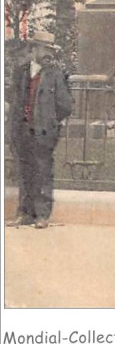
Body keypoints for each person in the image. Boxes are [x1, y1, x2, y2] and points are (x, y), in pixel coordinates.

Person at [8, 30, 73, 229]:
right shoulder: (21, 72)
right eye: (45, 49)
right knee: (25, 171)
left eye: (50, 50)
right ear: (33, 49)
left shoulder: (56, 74)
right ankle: (25, 213)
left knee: (43, 171)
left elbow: (65, 105)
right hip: (21, 130)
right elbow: (13, 97)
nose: (48, 54)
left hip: (44, 132)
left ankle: (42, 215)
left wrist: (50, 121)